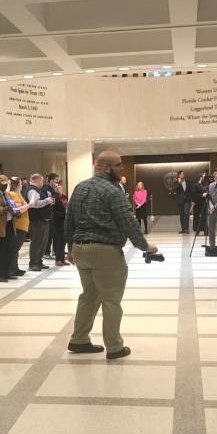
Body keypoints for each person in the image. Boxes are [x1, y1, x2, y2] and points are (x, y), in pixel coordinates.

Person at [65, 150, 158, 360]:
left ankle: (79, 340)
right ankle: (115, 347)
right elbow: (128, 222)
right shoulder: (113, 191)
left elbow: (68, 220)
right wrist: (145, 246)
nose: (121, 169)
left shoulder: (80, 187)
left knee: (89, 295)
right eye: (118, 165)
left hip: (81, 250)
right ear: (106, 167)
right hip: (105, 252)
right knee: (111, 300)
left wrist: (70, 247)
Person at [25, 173, 55, 271]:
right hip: (37, 221)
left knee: (43, 242)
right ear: (37, 180)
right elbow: (34, 204)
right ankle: (33, 263)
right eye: (42, 181)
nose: (43, 183)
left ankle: (38, 261)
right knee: (37, 242)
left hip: (42, 221)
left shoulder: (36, 190)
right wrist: (47, 201)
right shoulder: (32, 190)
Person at [8, 177, 30, 277]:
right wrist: (29, 205)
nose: (22, 185)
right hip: (18, 225)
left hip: (22, 226)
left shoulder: (18, 194)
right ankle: (11, 269)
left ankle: (15, 268)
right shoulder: (13, 195)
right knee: (14, 248)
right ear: (17, 185)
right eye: (20, 184)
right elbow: (17, 210)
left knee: (16, 249)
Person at [51, 180, 69, 265]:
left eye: (59, 186)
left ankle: (62, 259)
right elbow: (53, 211)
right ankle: (58, 260)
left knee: (63, 240)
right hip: (57, 222)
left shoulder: (64, 196)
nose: (58, 187)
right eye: (55, 186)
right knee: (59, 241)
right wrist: (64, 213)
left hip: (64, 221)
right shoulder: (54, 197)